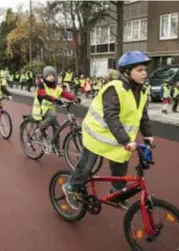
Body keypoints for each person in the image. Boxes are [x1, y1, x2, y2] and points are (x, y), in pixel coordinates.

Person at [62, 51, 154, 210]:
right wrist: (126, 140)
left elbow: (142, 115)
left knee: (120, 166)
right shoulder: (115, 88)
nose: (144, 73)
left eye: (145, 69)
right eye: (139, 70)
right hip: (97, 134)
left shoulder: (142, 91)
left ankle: (117, 193)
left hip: (117, 137)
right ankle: (71, 187)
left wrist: (148, 135)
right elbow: (111, 116)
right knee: (87, 166)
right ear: (127, 72)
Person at [32, 66, 78, 151]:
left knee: (57, 128)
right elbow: (44, 95)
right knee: (53, 116)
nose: (51, 77)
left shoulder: (56, 87)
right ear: (45, 76)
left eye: (52, 75)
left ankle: (55, 147)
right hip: (41, 110)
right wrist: (55, 100)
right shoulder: (41, 85)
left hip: (50, 112)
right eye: (48, 75)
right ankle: (39, 129)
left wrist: (74, 98)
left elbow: (65, 94)